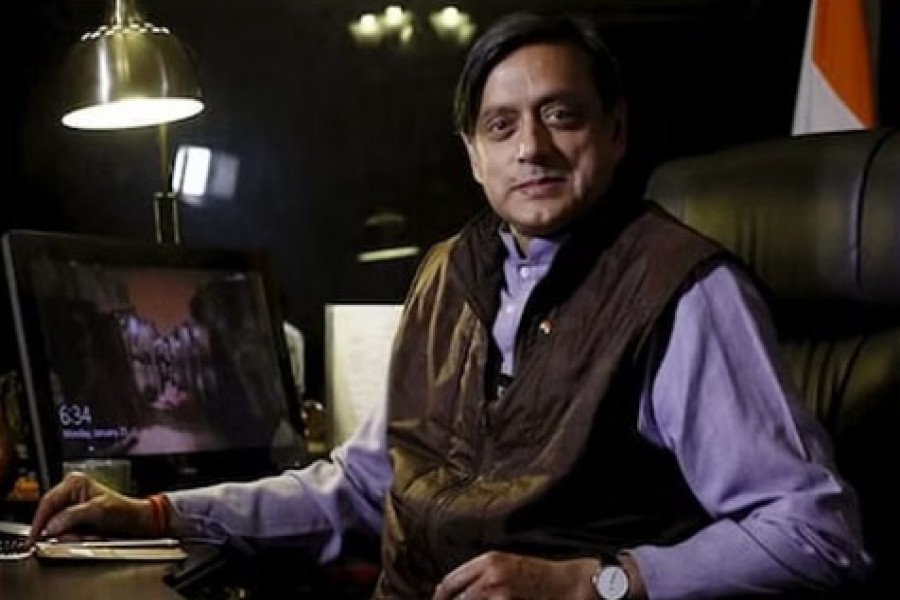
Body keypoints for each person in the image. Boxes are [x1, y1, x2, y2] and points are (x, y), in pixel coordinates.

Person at [29, 11, 870, 600]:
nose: (532, 147)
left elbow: (814, 533)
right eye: (501, 126)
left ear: (615, 132)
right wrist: (161, 513)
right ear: (473, 155)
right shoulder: (445, 276)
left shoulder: (682, 290)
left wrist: (597, 582)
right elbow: (364, 487)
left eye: (561, 116)